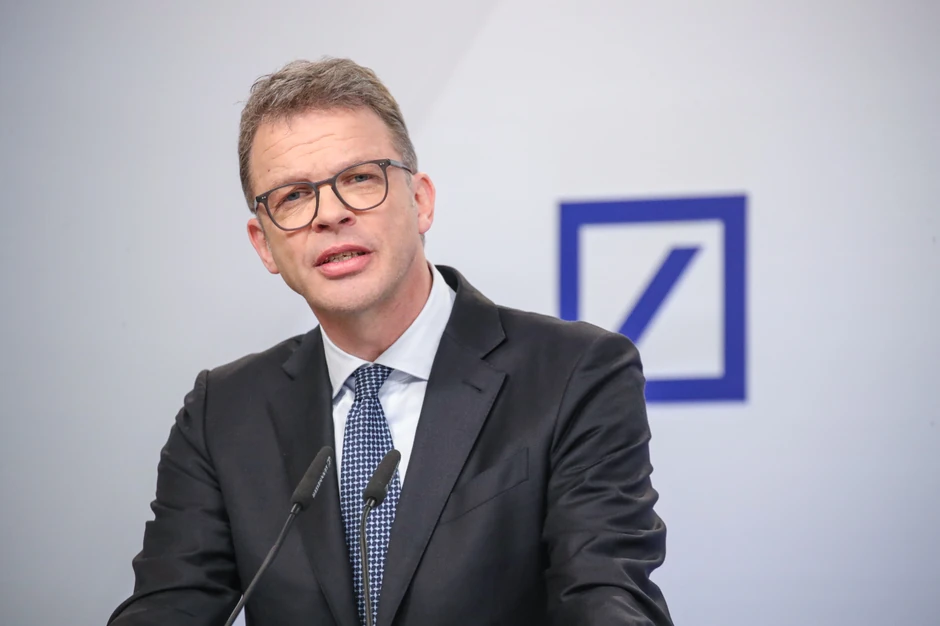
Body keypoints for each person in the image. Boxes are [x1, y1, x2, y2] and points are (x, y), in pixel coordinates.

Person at [109, 57, 673, 626]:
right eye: (293, 196)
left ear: (420, 201)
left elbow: (606, 595)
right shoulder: (223, 413)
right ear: (264, 244)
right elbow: (168, 606)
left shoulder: (573, 373)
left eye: (359, 178)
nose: (330, 214)